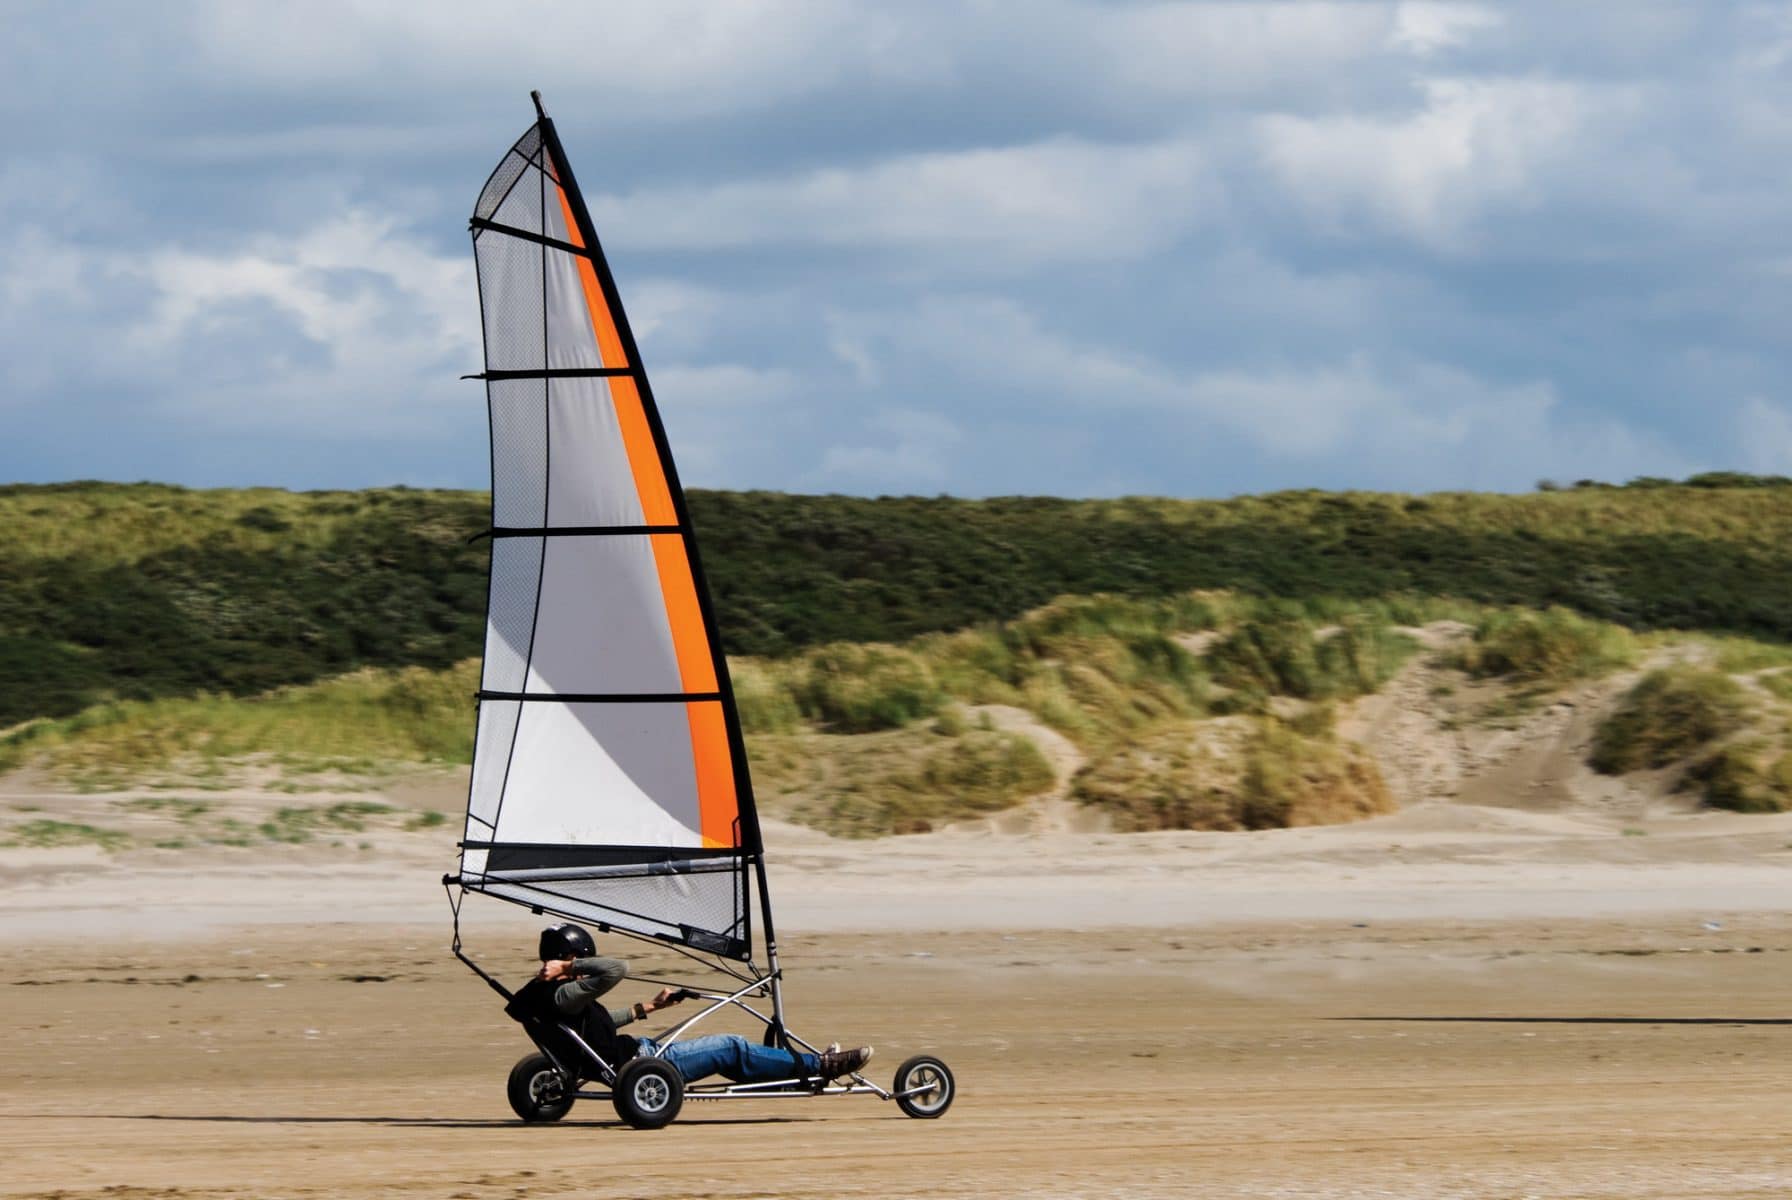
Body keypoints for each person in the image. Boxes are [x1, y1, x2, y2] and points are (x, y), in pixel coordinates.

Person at [534, 922, 872, 1084]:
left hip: (633, 1056)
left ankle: (793, 1072)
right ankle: (820, 1066)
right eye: (580, 961)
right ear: (570, 958)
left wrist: (649, 1007)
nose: (584, 969)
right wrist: (568, 968)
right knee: (731, 1047)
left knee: (730, 1057)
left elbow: (594, 1028)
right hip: (644, 1063)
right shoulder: (565, 992)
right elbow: (617, 968)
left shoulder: (543, 996)